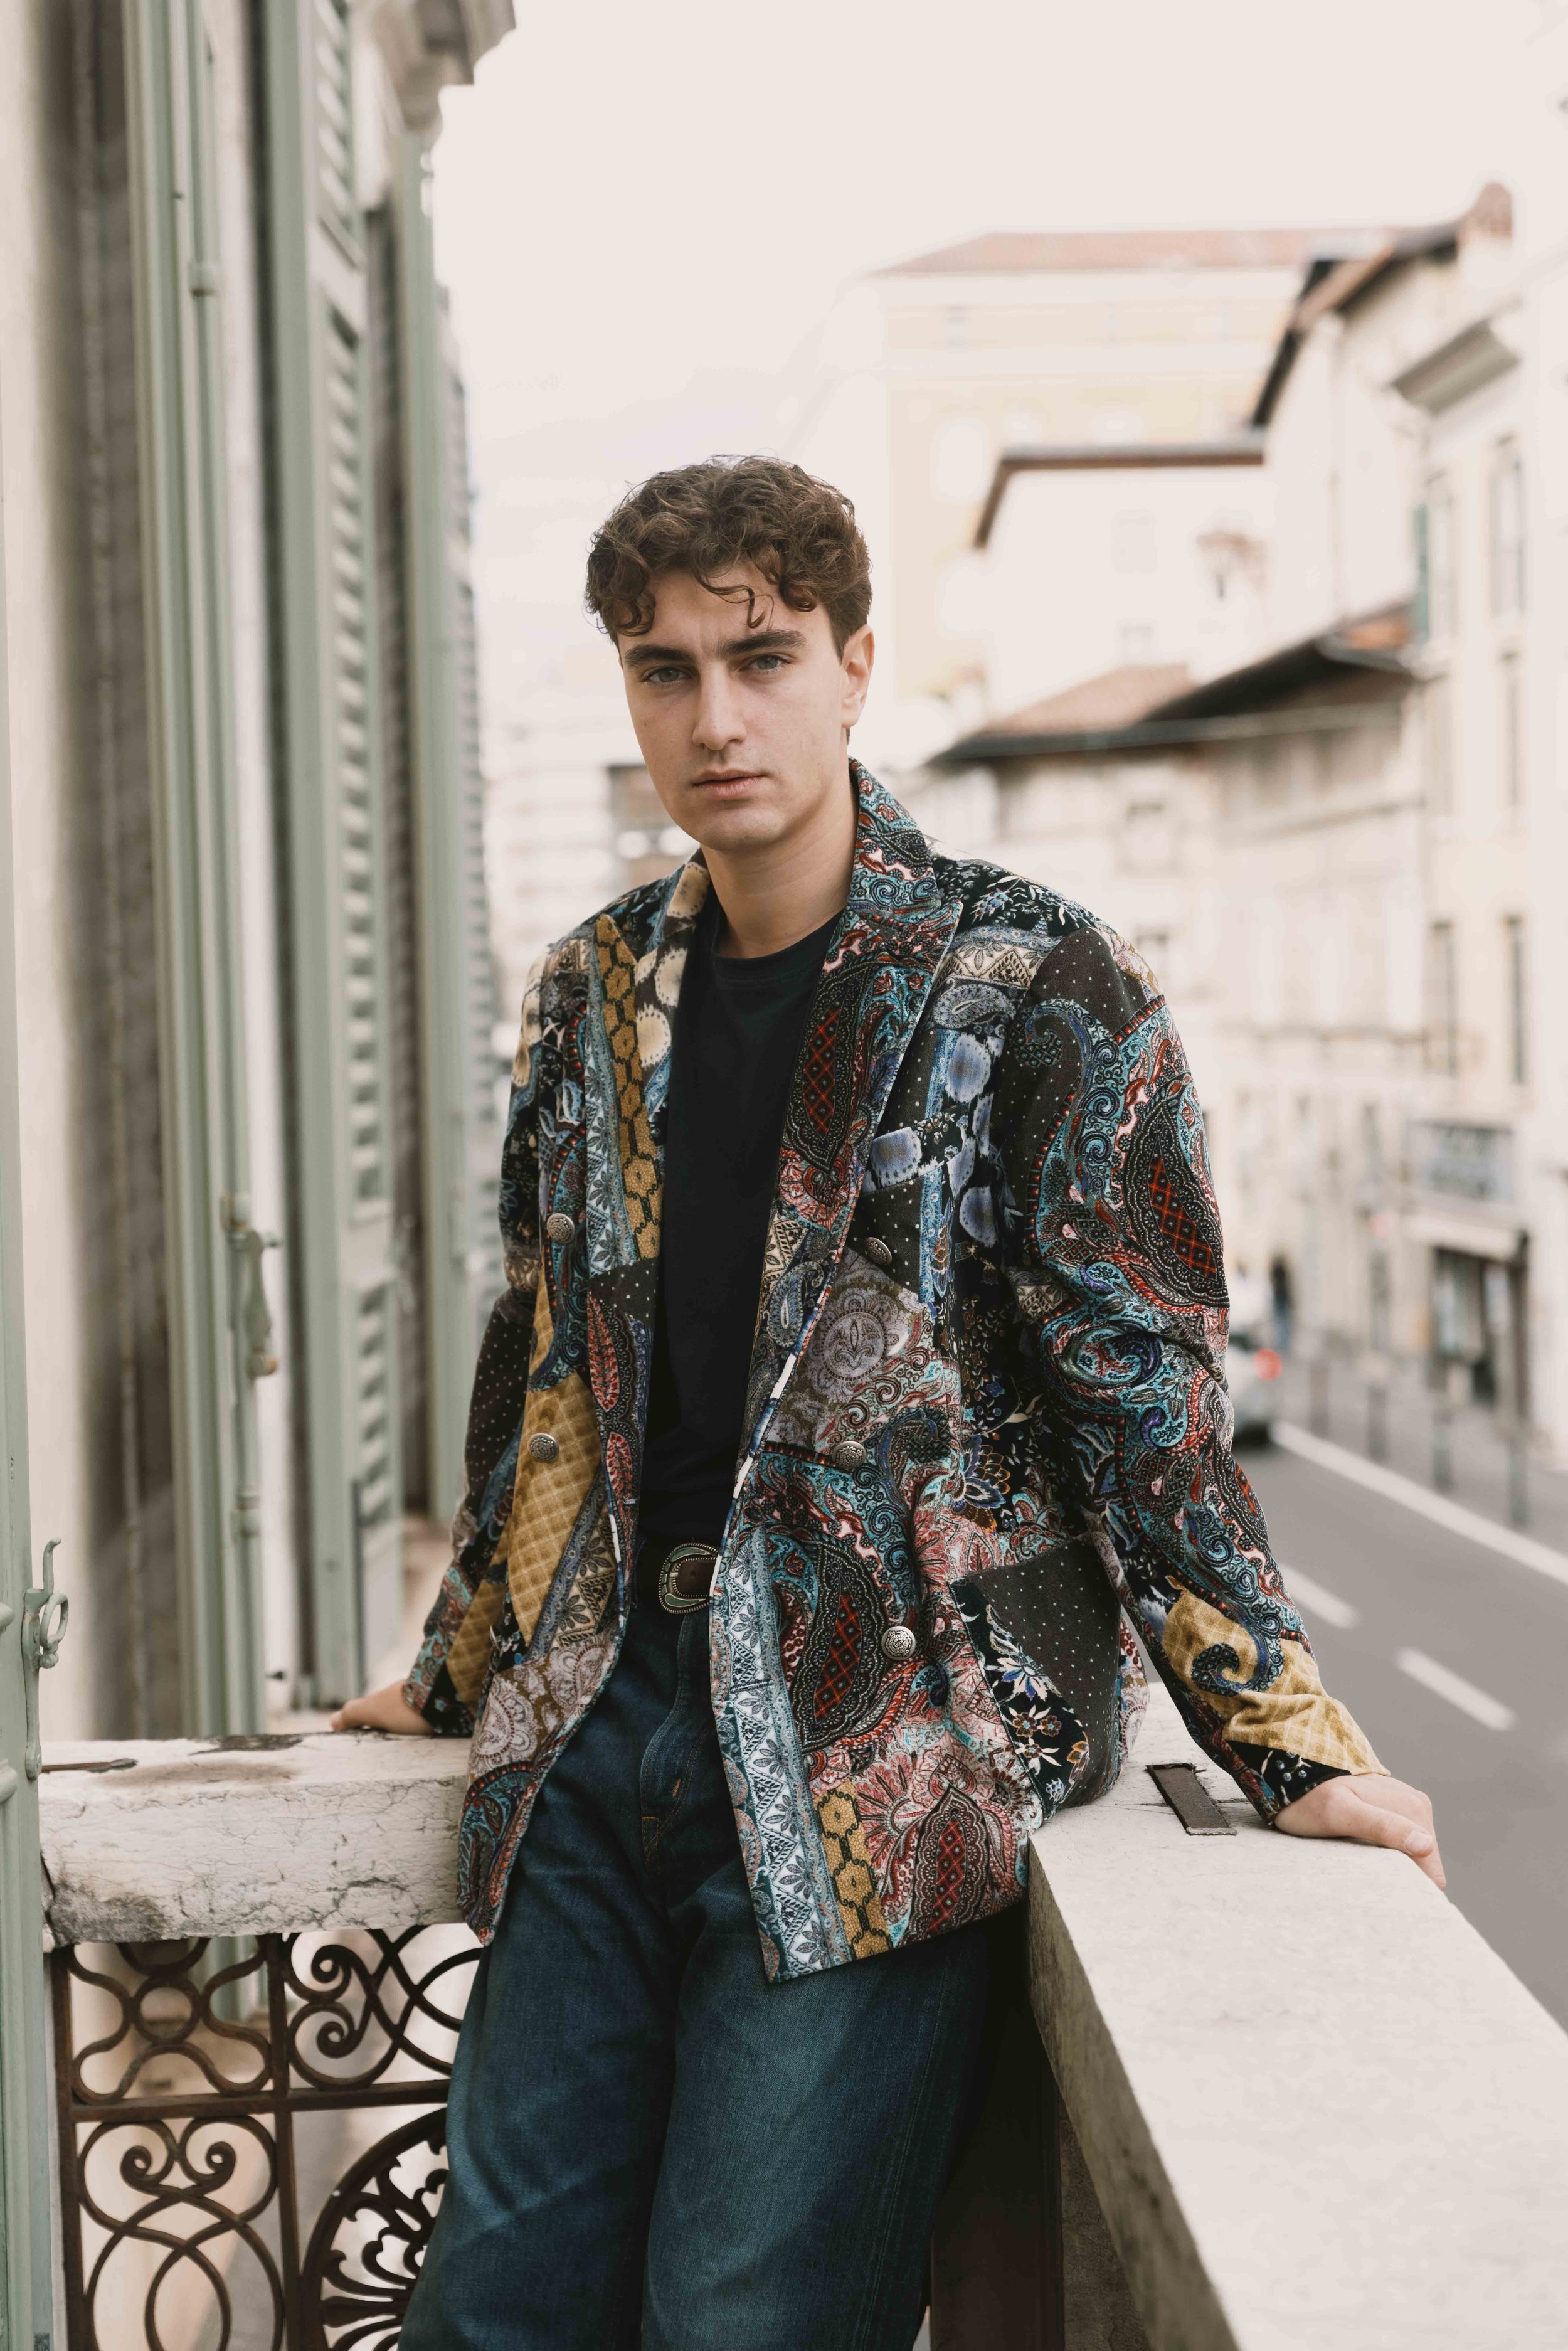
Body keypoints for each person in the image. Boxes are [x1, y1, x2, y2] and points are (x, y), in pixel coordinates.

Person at [336, 457, 1441, 2350]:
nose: (714, 715)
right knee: (493, 2308)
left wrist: (1282, 1736)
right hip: (599, 1728)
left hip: (879, 1738)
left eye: (758, 657)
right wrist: (455, 1665)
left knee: (741, 2317)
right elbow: (543, 1364)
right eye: (662, 669)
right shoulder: (592, 991)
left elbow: (1139, 1386)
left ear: (855, 662)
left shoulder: (1033, 978)